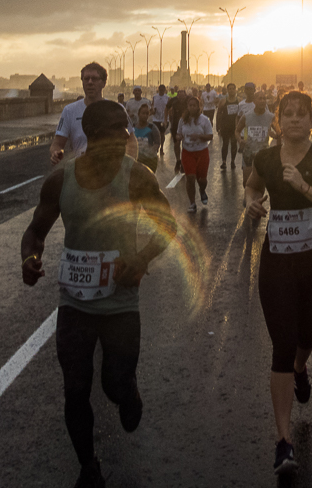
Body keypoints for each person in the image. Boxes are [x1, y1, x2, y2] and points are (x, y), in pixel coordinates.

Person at [20, 101, 175, 488]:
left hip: (120, 301)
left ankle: (128, 392)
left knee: (113, 383)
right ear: (89, 135)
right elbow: (35, 230)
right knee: (75, 388)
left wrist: (139, 260)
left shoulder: (136, 176)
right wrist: (30, 258)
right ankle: (88, 467)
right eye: (110, 133)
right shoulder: (61, 180)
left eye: (123, 132)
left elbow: (167, 224)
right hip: (74, 302)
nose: (120, 139)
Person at [244, 91, 312, 475]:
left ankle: (302, 367)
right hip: (276, 264)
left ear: (311, 119)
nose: (293, 119)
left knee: (306, 335)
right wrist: (251, 202)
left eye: (300, 114)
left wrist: (306, 188)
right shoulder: (267, 158)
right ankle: (283, 441)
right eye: (286, 113)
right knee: (282, 344)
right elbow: (253, 185)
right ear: (277, 118)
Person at [52, 63, 137, 166]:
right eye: (86, 79)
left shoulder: (116, 109)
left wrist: (129, 167)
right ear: (82, 82)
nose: (90, 82)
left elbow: (131, 140)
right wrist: (56, 153)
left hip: (111, 171)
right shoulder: (69, 111)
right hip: (82, 172)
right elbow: (57, 143)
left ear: (104, 83)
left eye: (95, 79)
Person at [179, 95, 214, 212]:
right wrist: (178, 137)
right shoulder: (182, 120)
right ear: (187, 107)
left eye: (194, 105)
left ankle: (202, 190)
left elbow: (210, 136)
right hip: (187, 152)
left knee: (202, 179)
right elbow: (178, 134)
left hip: (202, 152)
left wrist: (199, 136)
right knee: (190, 178)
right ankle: (192, 203)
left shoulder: (204, 120)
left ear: (198, 107)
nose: (192, 107)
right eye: (190, 105)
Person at [237, 90, 274, 184]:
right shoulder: (246, 116)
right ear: (254, 101)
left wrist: (275, 136)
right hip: (248, 152)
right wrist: (240, 140)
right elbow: (237, 131)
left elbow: (280, 132)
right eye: (260, 98)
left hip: (263, 153)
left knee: (260, 183)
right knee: (246, 182)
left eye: (264, 98)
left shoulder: (271, 117)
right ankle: (248, 197)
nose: (262, 101)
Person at [216, 83, 241, 171]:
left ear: (235, 90)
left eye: (232, 89)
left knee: (234, 144)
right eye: (229, 89)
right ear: (227, 90)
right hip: (225, 126)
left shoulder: (239, 101)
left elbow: (242, 115)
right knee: (225, 144)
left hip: (235, 127)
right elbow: (218, 114)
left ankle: (233, 161)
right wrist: (218, 126)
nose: (231, 90)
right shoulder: (223, 101)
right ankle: (224, 161)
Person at [133, 104, 162, 173]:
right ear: (138, 114)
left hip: (148, 160)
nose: (145, 115)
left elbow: (157, 142)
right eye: (143, 113)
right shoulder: (133, 128)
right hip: (136, 160)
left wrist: (152, 149)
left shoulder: (152, 128)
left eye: (147, 114)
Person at [167, 88, 188, 173]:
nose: (180, 95)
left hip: (186, 125)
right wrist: (166, 119)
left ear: (185, 94)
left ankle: (183, 162)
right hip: (175, 125)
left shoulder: (188, 100)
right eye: (178, 93)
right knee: (176, 144)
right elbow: (166, 108)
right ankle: (178, 160)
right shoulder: (173, 101)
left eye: (182, 93)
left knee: (185, 144)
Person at [150, 86, 169, 160]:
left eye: (162, 90)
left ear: (164, 90)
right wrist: (152, 111)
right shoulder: (155, 97)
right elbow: (152, 106)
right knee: (155, 133)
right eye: (160, 89)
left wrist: (167, 119)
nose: (161, 91)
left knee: (162, 134)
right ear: (158, 90)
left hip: (164, 119)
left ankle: (161, 148)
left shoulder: (167, 98)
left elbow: (169, 108)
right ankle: (156, 147)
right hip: (156, 119)